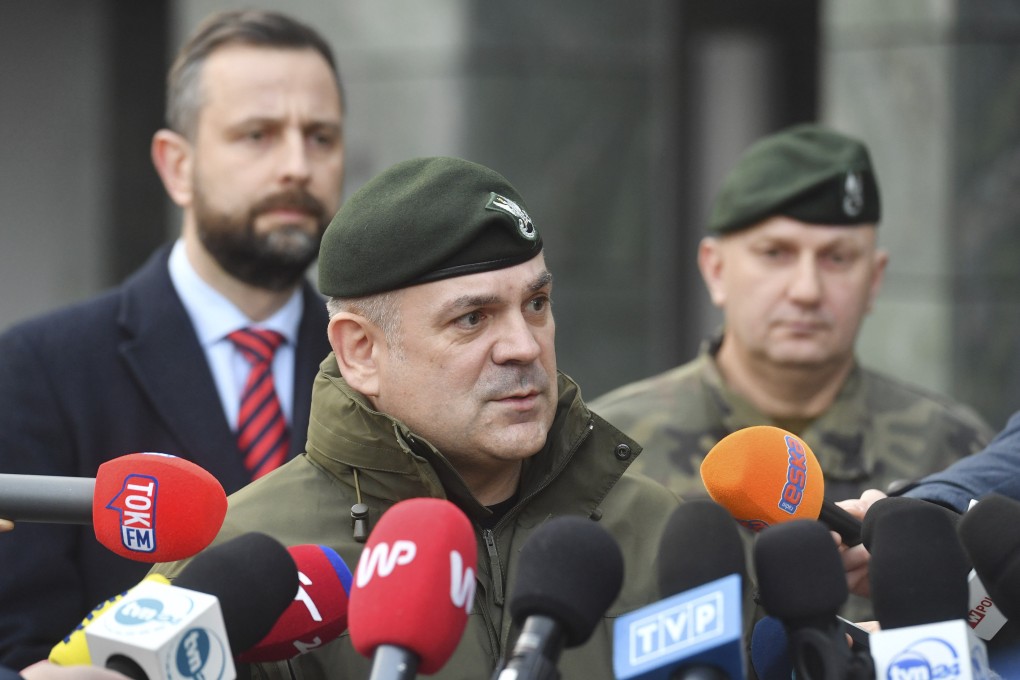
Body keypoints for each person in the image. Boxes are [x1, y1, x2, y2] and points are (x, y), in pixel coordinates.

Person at [151, 156, 682, 679]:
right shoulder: (239, 572)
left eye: (536, 303)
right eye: (472, 318)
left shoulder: (664, 535)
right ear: (361, 351)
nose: (523, 346)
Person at [0, 10, 344, 668]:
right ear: (176, 165)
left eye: (321, 137)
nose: (298, 166)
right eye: (258, 135)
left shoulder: (376, 366)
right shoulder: (42, 368)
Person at [590, 123, 994, 507]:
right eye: (775, 254)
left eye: (837, 258)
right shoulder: (610, 450)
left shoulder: (955, 452)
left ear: (873, 280)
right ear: (716, 270)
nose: (806, 290)